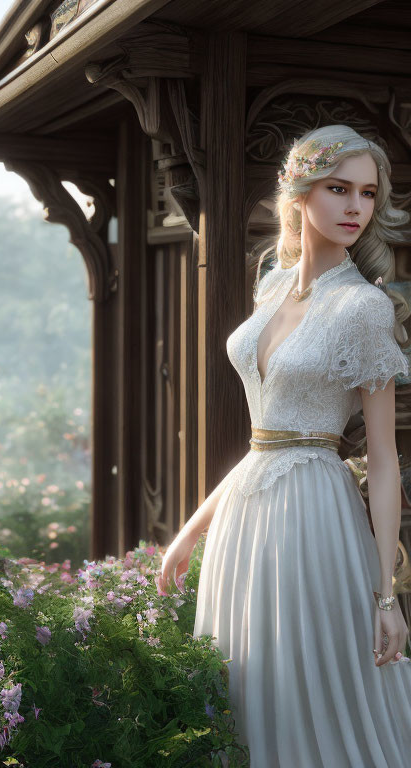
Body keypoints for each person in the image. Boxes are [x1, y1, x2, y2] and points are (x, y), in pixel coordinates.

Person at [156, 124, 411, 766]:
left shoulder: (363, 308)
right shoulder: (270, 289)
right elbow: (263, 440)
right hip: (245, 515)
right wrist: (190, 532)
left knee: (317, 690)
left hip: (315, 516)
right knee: (247, 677)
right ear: (301, 193)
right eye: (338, 188)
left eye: (367, 193)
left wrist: (388, 598)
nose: (356, 207)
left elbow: (383, 462)